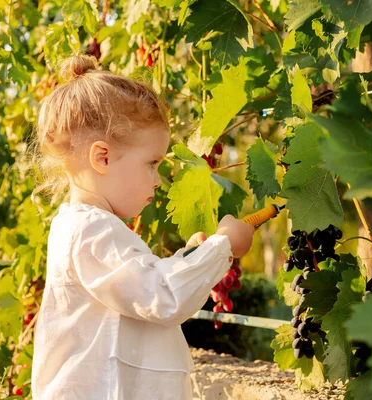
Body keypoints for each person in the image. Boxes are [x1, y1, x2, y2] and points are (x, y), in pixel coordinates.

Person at [27, 53, 255, 400]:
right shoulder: (88, 232)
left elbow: (141, 288)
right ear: (102, 157)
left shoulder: (90, 229)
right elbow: (161, 296)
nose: (157, 180)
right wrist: (221, 246)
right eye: (151, 164)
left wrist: (188, 258)